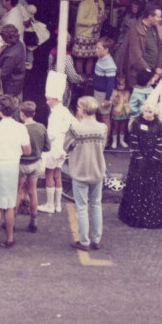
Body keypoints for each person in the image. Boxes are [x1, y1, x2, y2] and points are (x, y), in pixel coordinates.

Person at [0, 94, 32, 247]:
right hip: (12, 166)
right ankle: (10, 238)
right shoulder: (21, 128)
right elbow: (27, 150)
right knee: (9, 204)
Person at [117, 103, 162, 229]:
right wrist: (139, 158)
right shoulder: (136, 123)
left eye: (150, 112)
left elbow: (160, 142)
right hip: (139, 162)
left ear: (154, 113)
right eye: (146, 111)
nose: (148, 114)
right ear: (142, 112)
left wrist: (155, 158)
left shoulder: (159, 125)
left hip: (154, 163)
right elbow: (133, 141)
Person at [64, 95, 108, 251]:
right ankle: (96, 239)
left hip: (81, 171)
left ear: (82, 110)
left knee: (81, 207)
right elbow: (102, 146)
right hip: (97, 171)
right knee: (96, 205)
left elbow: (66, 146)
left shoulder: (76, 128)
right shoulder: (102, 128)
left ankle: (84, 241)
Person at [37, 71, 74, 214]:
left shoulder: (55, 114)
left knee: (49, 174)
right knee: (57, 174)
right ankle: (58, 205)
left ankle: (50, 204)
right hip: (63, 148)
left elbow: (51, 134)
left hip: (54, 147)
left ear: (56, 98)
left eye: (49, 99)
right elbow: (74, 124)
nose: (47, 102)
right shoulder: (65, 110)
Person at [17, 100, 50, 229]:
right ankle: (34, 221)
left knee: (18, 192)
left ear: (22, 114)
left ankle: (10, 220)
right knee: (33, 191)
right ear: (34, 113)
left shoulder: (21, 128)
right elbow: (47, 147)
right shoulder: (41, 127)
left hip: (22, 164)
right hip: (36, 163)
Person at [73, 0, 106, 79]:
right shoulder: (85, 4)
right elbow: (79, 20)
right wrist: (96, 21)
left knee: (91, 57)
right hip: (83, 35)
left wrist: (103, 18)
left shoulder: (101, 2)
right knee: (80, 58)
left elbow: (101, 16)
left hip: (94, 35)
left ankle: (88, 77)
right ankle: (79, 78)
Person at [92, 37, 118, 148]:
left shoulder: (110, 65)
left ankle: (105, 141)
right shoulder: (101, 58)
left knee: (105, 117)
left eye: (99, 48)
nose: (96, 50)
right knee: (98, 115)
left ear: (106, 49)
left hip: (103, 95)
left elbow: (110, 84)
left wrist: (107, 99)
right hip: (97, 92)